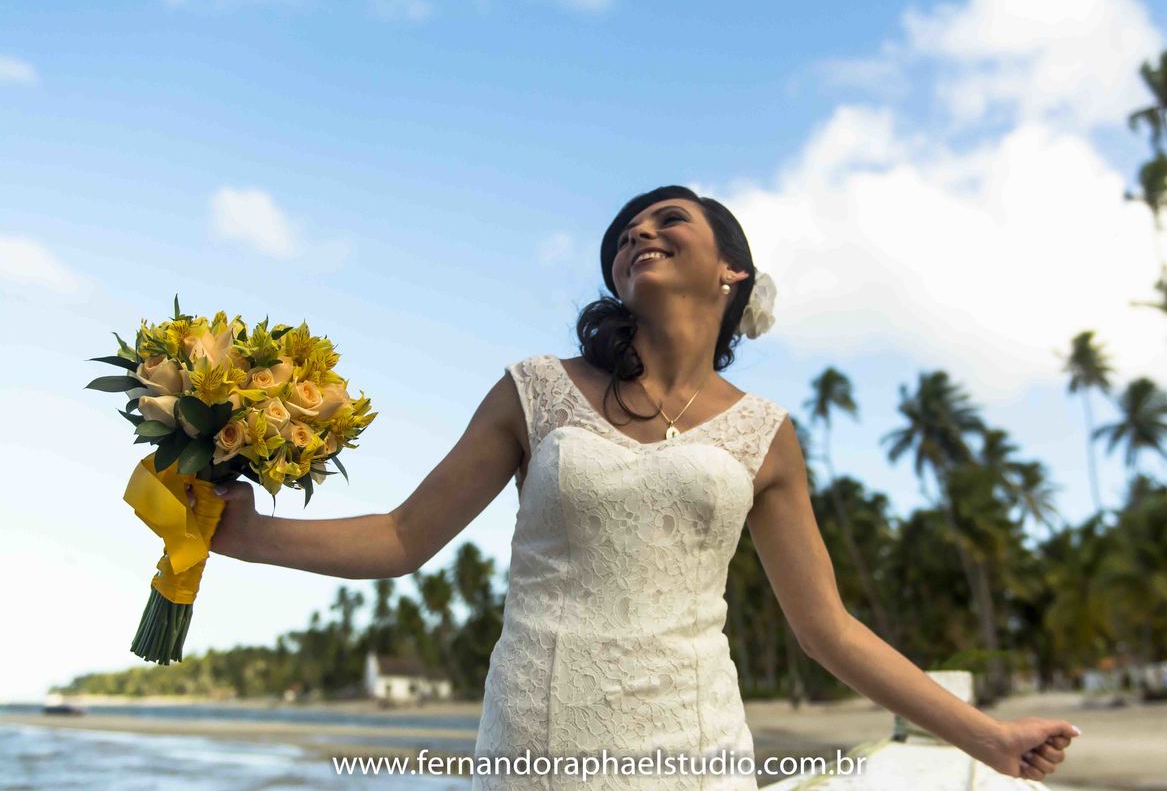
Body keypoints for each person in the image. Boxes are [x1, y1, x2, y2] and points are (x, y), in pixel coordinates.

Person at [190, 184, 1080, 787]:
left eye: (666, 222)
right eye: (626, 236)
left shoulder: (765, 435)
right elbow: (400, 537)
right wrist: (242, 534)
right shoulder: (535, 389)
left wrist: (987, 738)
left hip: (696, 743)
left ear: (732, 270)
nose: (639, 235)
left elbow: (827, 630)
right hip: (541, 741)